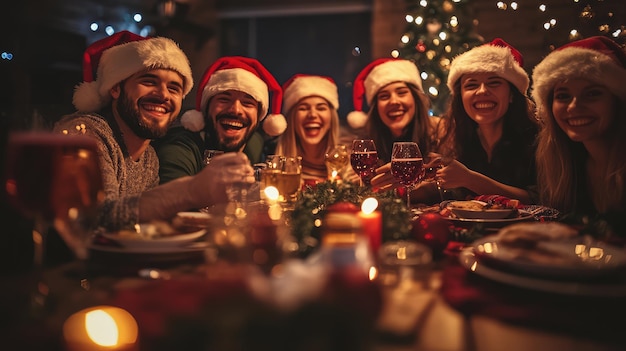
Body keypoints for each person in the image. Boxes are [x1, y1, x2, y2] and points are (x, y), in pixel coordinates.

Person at [53, 31, 255, 231]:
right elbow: (92, 219)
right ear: (115, 88)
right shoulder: (84, 134)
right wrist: (190, 190)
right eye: (149, 81)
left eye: (174, 88)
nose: (163, 95)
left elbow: (144, 229)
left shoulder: (149, 157)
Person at [531, 36, 626, 233]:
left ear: (617, 100)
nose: (574, 106)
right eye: (563, 96)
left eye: (592, 94)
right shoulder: (566, 164)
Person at [153, 56, 287, 184]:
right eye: (224, 99)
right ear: (207, 108)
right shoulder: (180, 147)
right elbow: (172, 201)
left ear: (259, 116)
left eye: (247, 103)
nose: (236, 110)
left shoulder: (255, 143)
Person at [435, 38, 538, 204]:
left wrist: (470, 179)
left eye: (494, 83)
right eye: (471, 85)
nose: (482, 91)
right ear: (460, 97)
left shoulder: (538, 140)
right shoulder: (455, 139)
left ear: (512, 94)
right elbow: (450, 194)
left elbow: (541, 199)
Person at [347, 58, 445, 202]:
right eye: (384, 96)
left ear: (415, 99)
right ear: (376, 108)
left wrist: (404, 187)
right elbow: (351, 184)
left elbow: (453, 187)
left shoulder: (441, 130)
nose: (394, 101)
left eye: (402, 93)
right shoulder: (367, 144)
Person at [275, 74, 347, 184]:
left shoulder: (349, 156)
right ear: (292, 118)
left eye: (321, 108)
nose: (312, 114)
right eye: (303, 108)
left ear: (332, 118)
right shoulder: (274, 158)